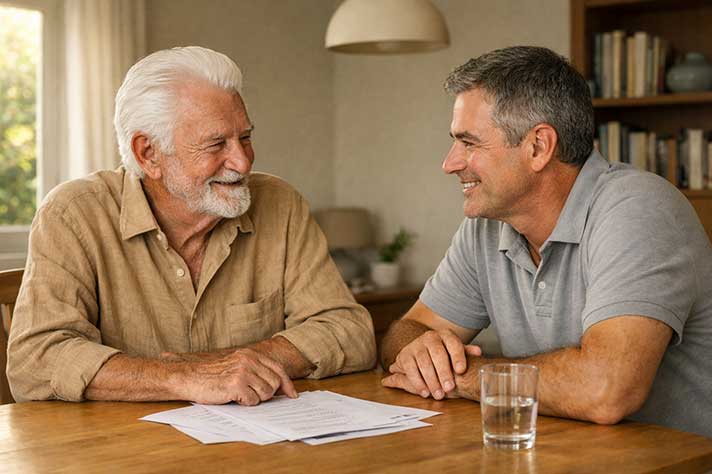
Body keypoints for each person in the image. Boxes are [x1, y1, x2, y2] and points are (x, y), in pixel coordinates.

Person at [7, 46, 376, 405]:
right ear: (148, 154)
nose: (243, 162)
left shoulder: (281, 204)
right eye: (216, 144)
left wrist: (241, 363)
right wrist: (184, 377)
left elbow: (350, 331)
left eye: (245, 137)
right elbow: (35, 360)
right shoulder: (74, 213)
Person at [380, 46, 712, 437]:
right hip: (561, 457)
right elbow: (406, 332)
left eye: (469, 143)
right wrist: (420, 351)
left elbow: (605, 391)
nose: (450, 162)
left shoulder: (639, 209)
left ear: (538, 146)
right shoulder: (487, 225)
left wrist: (463, 375)